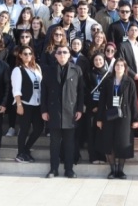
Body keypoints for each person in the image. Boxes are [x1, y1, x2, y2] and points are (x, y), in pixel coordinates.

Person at [41, 43, 85, 178]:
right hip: (54, 111)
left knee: (69, 143)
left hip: (70, 112)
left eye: (65, 52)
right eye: (59, 52)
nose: (62, 55)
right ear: (55, 55)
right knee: (54, 143)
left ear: (69, 54)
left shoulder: (76, 70)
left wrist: (80, 109)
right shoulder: (48, 70)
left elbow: (81, 92)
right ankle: (53, 169)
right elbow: (44, 92)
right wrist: (44, 110)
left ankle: (69, 169)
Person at [96, 58, 138, 179]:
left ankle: (120, 170)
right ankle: (112, 169)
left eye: (121, 65)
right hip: (109, 115)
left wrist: (136, 119)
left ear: (125, 68)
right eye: (117, 65)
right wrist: (99, 118)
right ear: (114, 67)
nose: (119, 67)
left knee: (123, 142)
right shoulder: (108, 81)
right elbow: (102, 101)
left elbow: (134, 102)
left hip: (125, 116)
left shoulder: (129, 82)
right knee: (109, 142)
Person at [12, 44, 44, 163]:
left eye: (30, 54)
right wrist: (19, 104)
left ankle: (26, 149)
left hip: (37, 103)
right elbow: (16, 89)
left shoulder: (37, 68)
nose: (28, 56)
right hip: (25, 103)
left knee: (39, 128)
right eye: (25, 54)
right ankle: (21, 153)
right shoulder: (18, 70)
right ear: (20, 55)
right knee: (24, 129)